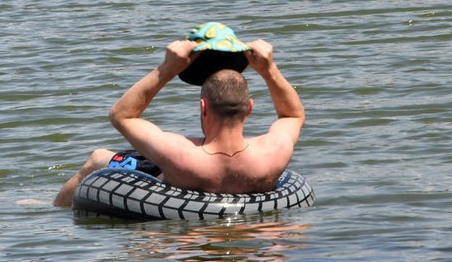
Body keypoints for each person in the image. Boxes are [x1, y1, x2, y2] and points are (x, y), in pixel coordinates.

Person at [53, 39, 305, 207]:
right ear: (249, 108)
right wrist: (269, 69)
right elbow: (293, 115)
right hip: (251, 180)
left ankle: (52, 210)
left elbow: (121, 115)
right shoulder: (273, 152)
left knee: (98, 157)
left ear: (203, 106)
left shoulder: (178, 153)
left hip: (183, 178)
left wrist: (168, 68)